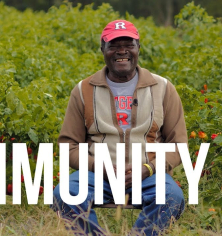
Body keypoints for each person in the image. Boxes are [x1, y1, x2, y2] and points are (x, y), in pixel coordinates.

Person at [51, 20, 187, 235]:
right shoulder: (83, 90)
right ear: (102, 49)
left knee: (172, 197)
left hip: (148, 175)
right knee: (64, 194)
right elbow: (68, 146)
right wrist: (100, 167)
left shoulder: (163, 88)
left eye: (128, 44)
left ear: (138, 48)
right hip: (97, 175)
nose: (121, 51)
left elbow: (178, 145)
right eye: (113, 45)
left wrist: (147, 169)